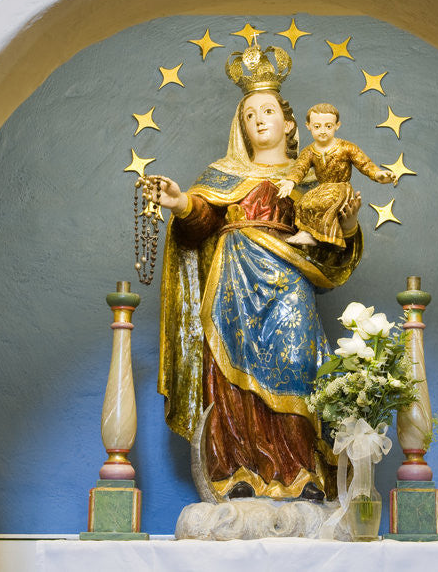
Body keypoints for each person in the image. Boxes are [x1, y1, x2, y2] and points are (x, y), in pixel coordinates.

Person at [151, 45, 364, 501]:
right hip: (232, 281)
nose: (260, 119)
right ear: (241, 126)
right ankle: (238, 473)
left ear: (290, 124)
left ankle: (299, 474)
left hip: (289, 281)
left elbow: (333, 248)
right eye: (250, 115)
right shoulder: (223, 175)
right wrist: (181, 202)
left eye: (268, 111)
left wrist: (346, 220)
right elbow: (203, 219)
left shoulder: (309, 180)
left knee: (296, 362)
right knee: (230, 375)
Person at [276, 103, 396, 247]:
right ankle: (308, 234)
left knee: (323, 203)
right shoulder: (309, 152)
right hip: (322, 189)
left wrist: (378, 174)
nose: (322, 131)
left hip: (340, 188)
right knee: (302, 203)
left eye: (328, 126)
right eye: (317, 126)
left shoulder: (347, 147)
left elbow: (364, 164)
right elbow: (300, 167)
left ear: (337, 125)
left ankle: (327, 237)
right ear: (308, 126)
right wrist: (291, 181)